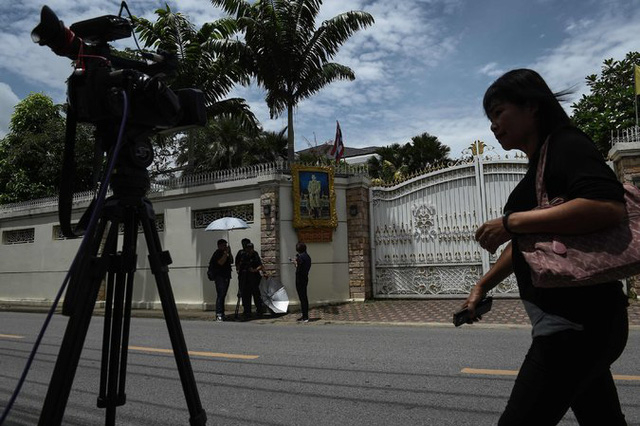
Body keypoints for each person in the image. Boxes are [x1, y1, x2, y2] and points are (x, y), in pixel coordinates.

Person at [463, 69, 629, 425]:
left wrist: (510, 222)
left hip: (574, 325)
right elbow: (528, 246)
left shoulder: (567, 144)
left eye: (499, 112)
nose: (493, 125)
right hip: (581, 324)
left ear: (532, 107)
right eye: (490, 117)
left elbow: (608, 207)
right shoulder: (538, 164)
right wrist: (483, 285)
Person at [237, 242, 265, 319]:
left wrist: (254, 270)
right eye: (247, 249)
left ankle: (259, 311)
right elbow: (239, 266)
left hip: (254, 278)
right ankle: (247, 311)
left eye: (250, 248)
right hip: (245, 279)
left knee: (256, 295)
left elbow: (261, 266)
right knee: (246, 296)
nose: (249, 250)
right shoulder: (243, 255)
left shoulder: (255, 255)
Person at [208, 239, 233, 321]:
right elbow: (221, 262)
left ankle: (222, 313)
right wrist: (225, 253)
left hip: (226, 276)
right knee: (220, 295)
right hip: (220, 277)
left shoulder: (226, 253)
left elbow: (231, 261)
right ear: (219, 245)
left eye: (226, 245)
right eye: (223, 245)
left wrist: (230, 252)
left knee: (223, 295)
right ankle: (219, 314)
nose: (225, 246)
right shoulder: (217, 253)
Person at [292, 242, 312, 322]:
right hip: (305, 277)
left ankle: (305, 316)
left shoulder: (301, 257)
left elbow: (298, 266)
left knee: (302, 298)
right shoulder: (307, 256)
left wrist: (295, 262)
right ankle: (304, 315)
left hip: (300, 279)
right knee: (303, 297)